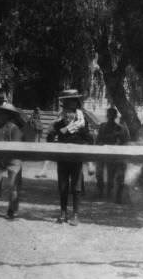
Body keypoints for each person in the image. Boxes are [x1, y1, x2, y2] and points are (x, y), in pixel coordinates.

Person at [48, 88, 92, 225]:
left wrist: (79, 144)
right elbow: (49, 139)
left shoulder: (82, 123)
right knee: (62, 186)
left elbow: (90, 140)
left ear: (76, 104)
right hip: (62, 159)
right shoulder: (59, 122)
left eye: (73, 102)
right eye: (67, 103)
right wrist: (52, 132)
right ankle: (63, 213)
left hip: (76, 159)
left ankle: (76, 215)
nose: (70, 106)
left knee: (76, 188)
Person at [95, 107, 129, 202]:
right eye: (109, 115)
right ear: (107, 116)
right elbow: (98, 140)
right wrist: (100, 145)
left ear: (115, 116)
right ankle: (100, 192)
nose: (110, 117)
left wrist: (116, 147)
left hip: (113, 154)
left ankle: (109, 193)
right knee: (99, 173)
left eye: (112, 115)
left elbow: (124, 142)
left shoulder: (120, 128)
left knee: (111, 175)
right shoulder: (102, 126)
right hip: (102, 153)